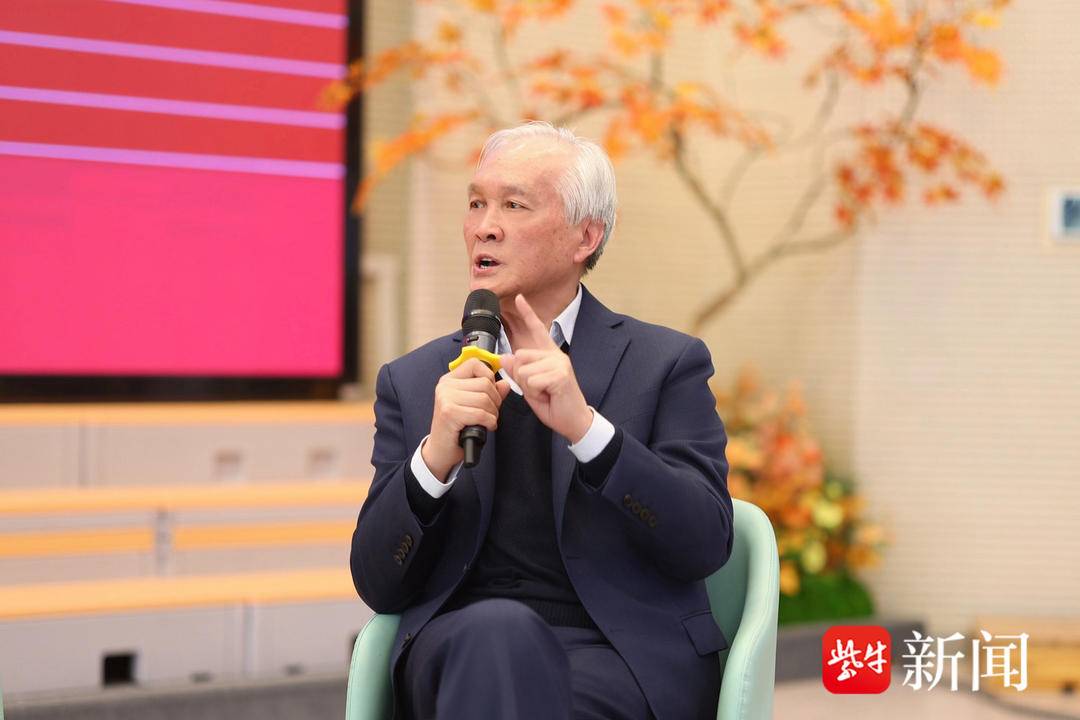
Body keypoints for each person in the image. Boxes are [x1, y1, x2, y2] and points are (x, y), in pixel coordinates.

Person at [350, 121, 733, 720]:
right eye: (475, 203)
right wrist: (433, 460)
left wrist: (589, 432)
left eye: (513, 205)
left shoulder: (665, 364)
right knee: (498, 636)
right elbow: (379, 583)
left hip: (617, 657)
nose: (484, 226)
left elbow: (702, 543)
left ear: (586, 236)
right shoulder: (416, 379)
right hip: (463, 652)